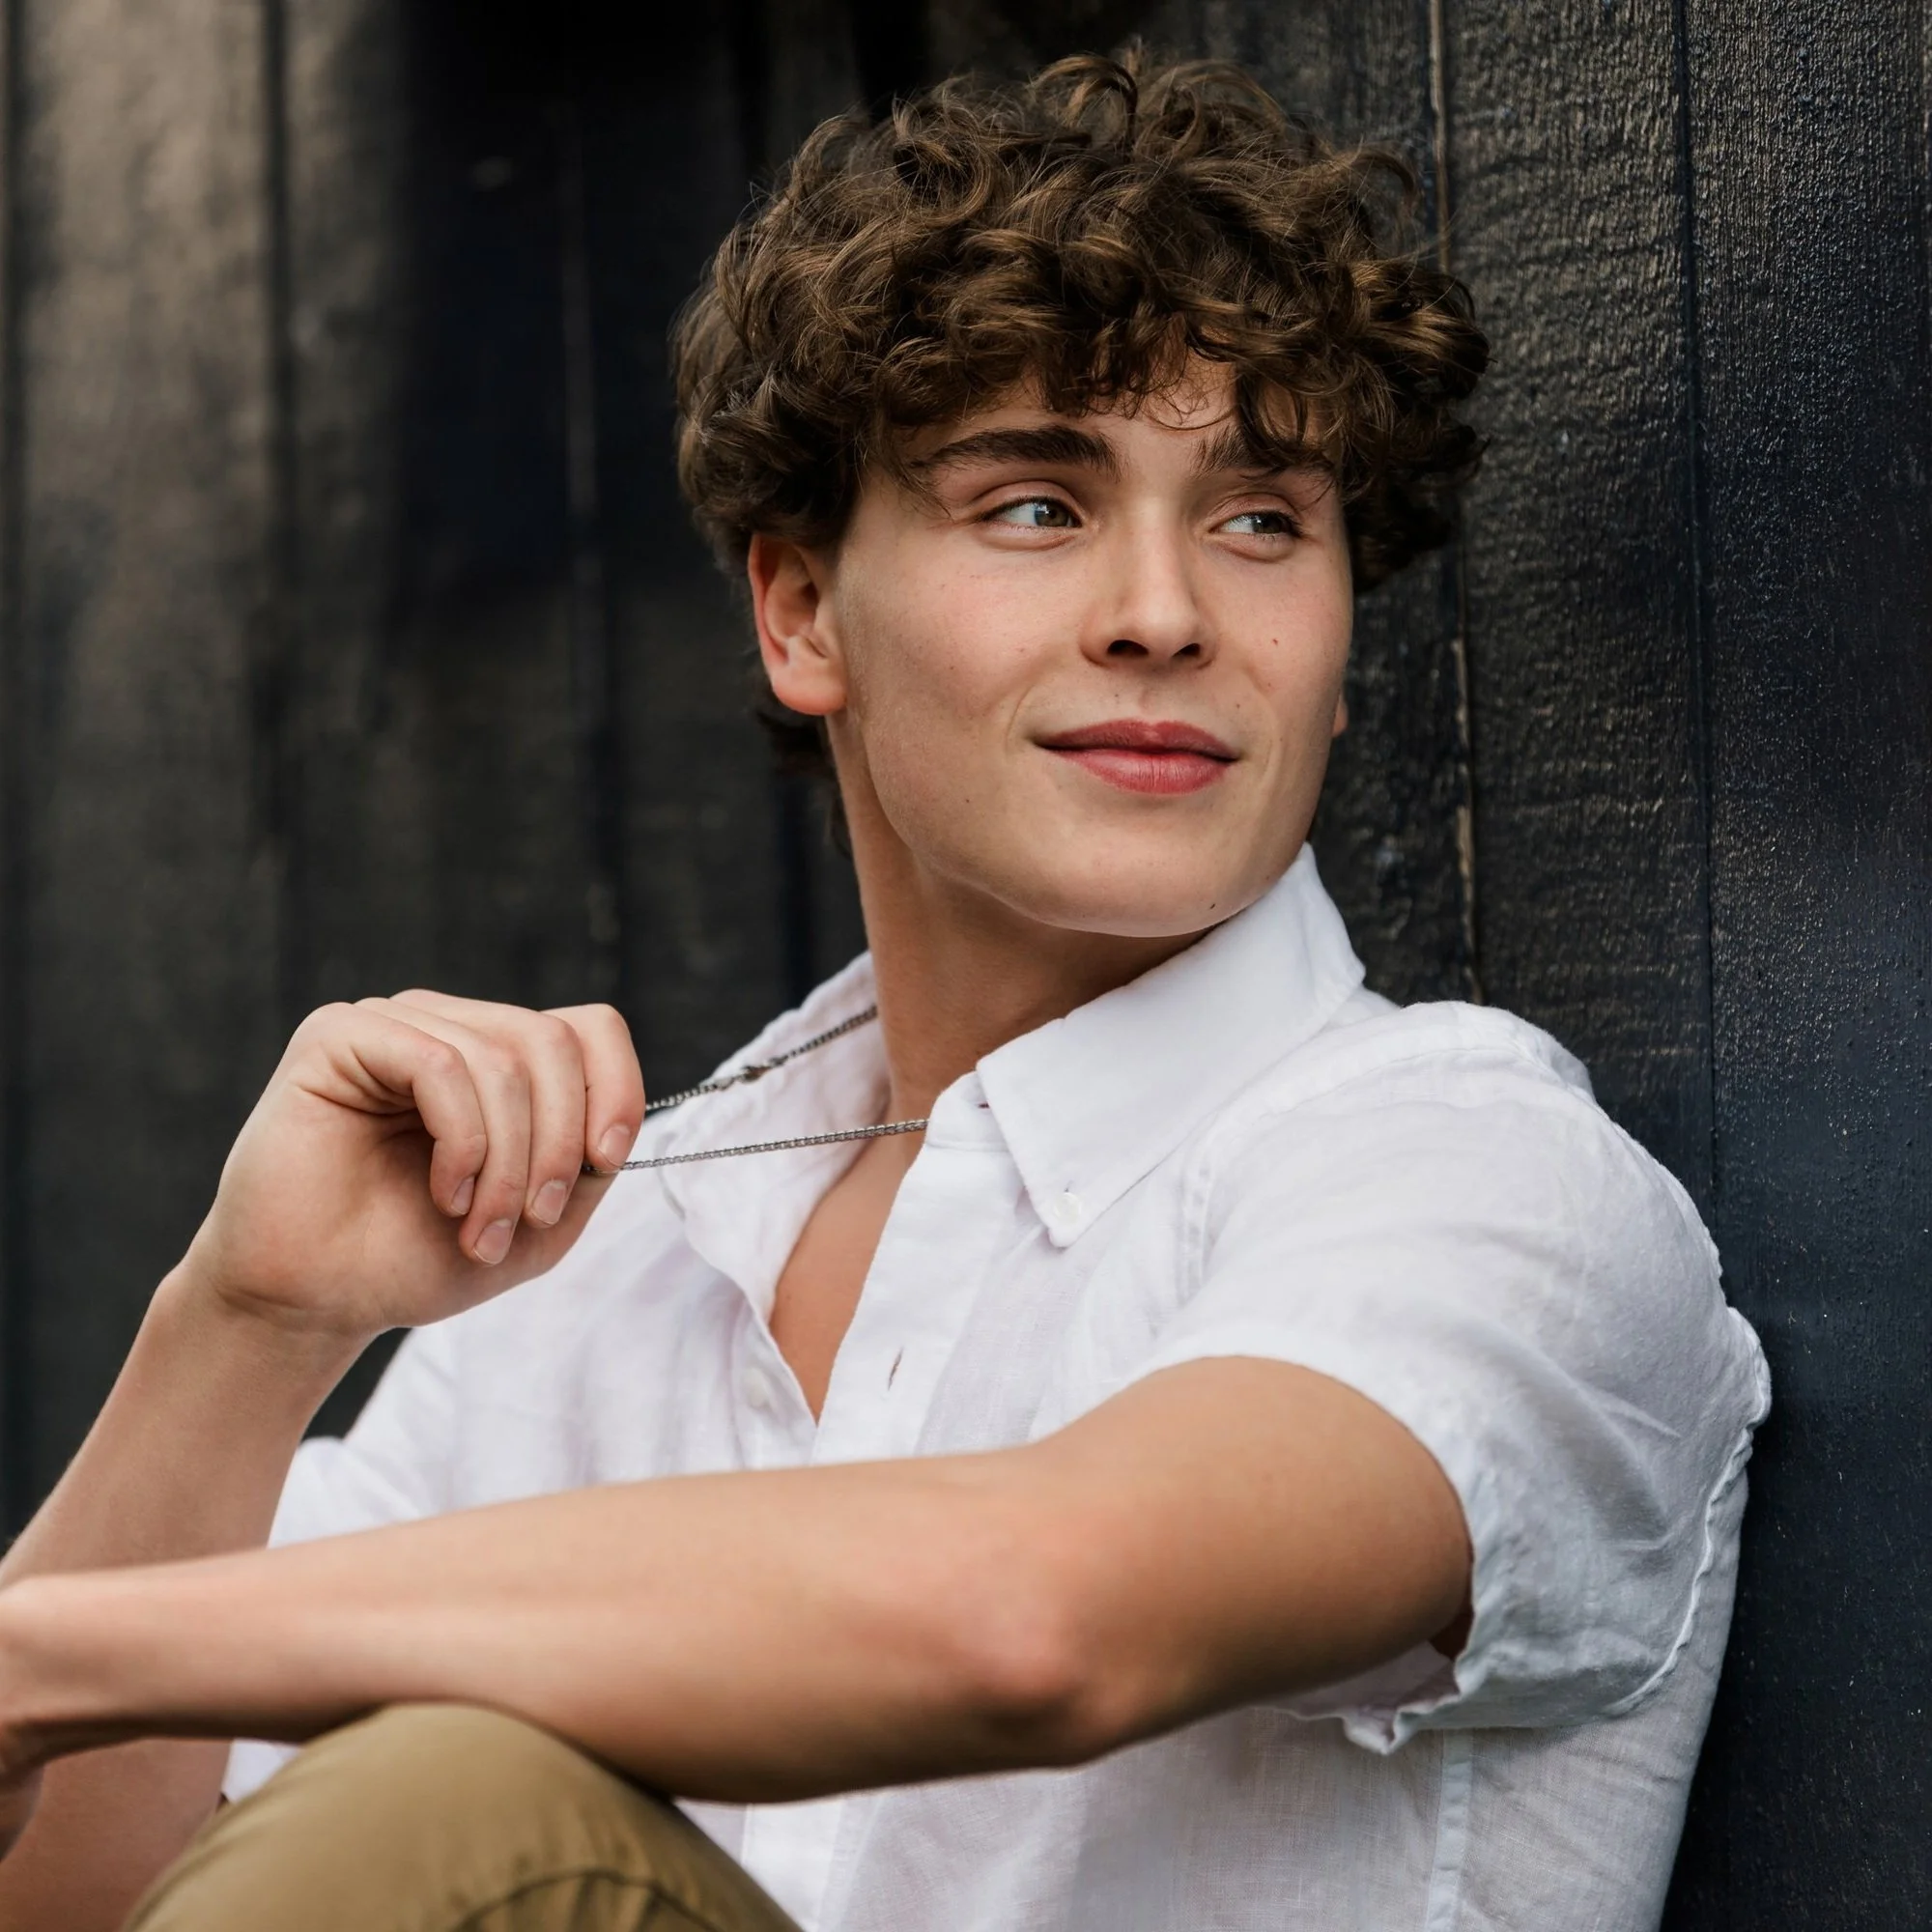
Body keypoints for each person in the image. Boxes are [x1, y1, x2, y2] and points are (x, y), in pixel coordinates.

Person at [0, 52, 1767, 1932]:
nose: (1165, 611)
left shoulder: (1476, 1177)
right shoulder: (598, 1261)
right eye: (1034, 505)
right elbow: (76, 1899)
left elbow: (1039, 1614)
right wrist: (248, 1320)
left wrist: (50, 1648)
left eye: (1260, 519)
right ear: (798, 612)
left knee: (458, 1802)